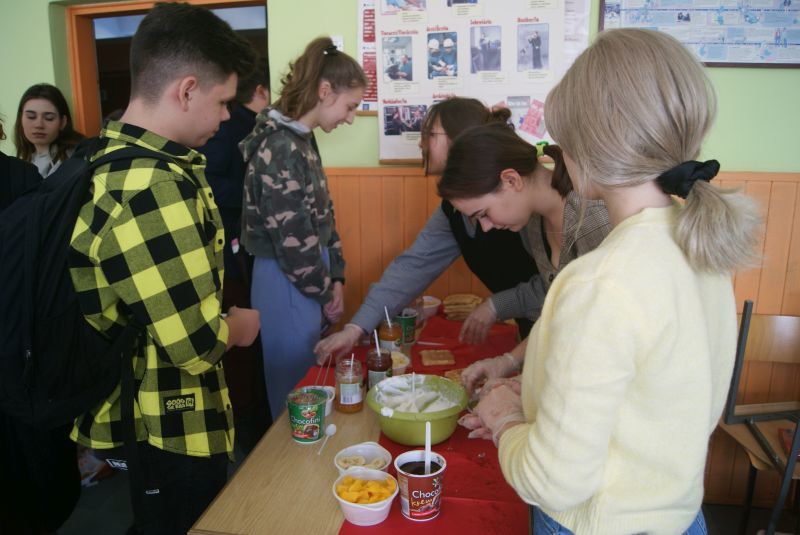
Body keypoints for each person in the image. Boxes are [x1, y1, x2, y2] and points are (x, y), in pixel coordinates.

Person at [459, 28, 761, 534]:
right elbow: (648, 402)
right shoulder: (701, 248)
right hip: (680, 517)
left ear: (588, 146)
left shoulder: (600, 279)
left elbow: (552, 481)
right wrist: (530, 393)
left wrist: (505, 419)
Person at [67, 4, 260, 534]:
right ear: (187, 90)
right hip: (165, 423)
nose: (227, 117)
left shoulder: (107, 155)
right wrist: (240, 326)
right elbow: (193, 346)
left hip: (136, 408)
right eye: (223, 101)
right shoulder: (153, 187)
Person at [314, 97, 546, 360]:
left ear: (464, 140)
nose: (420, 143)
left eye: (430, 135)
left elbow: (559, 283)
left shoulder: (520, 199)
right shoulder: (453, 209)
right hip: (531, 332)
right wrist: (356, 328)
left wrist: (496, 305)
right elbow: (413, 266)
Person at [240, 37, 366, 423]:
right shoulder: (280, 147)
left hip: (312, 273)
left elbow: (324, 216)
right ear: (325, 91)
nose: (350, 118)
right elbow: (293, 243)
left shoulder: (302, 141)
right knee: (294, 390)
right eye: (350, 106)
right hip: (286, 277)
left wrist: (337, 276)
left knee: (311, 382)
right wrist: (326, 291)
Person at [435, 122, 610, 395]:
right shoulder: (534, 223)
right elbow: (557, 301)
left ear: (511, 180)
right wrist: (507, 361)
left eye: (483, 214)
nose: (486, 227)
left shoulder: (591, 218)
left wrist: (521, 381)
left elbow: (599, 322)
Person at [196, 55, 272, 455]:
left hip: (246, 246)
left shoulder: (254, 124)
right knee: (241, 350)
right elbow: (208, 181)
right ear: (261, 90)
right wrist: (255, 195)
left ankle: (254, 421)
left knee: (253, 346)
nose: (222, 113)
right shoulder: (231, 127)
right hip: (228, 250)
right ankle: (247, 431)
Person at [14, 83, 84, 177]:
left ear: (63, 122)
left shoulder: (77, 158)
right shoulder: (22, 161)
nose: (39, 125)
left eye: (49, 118)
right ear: (20, 119)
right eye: (31, 117)